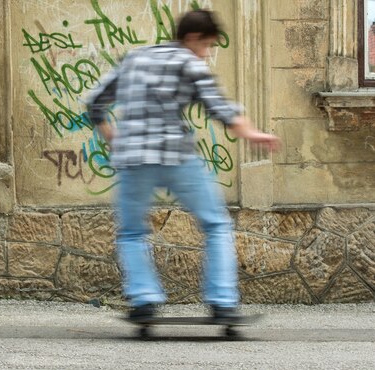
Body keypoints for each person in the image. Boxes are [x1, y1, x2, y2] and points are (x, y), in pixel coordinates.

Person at [85, 10, 281, 323]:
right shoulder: (188, 62)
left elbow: (95, 102)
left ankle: (144, 300)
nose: (206, 55)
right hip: (175, 156)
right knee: (216, 224)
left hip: (133, 159)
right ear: (192, 39)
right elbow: (221, 110)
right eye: (207, 47)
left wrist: (113, 139)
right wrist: (254, 134)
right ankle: (222, 301)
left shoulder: (135, 58)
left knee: (132, 231)